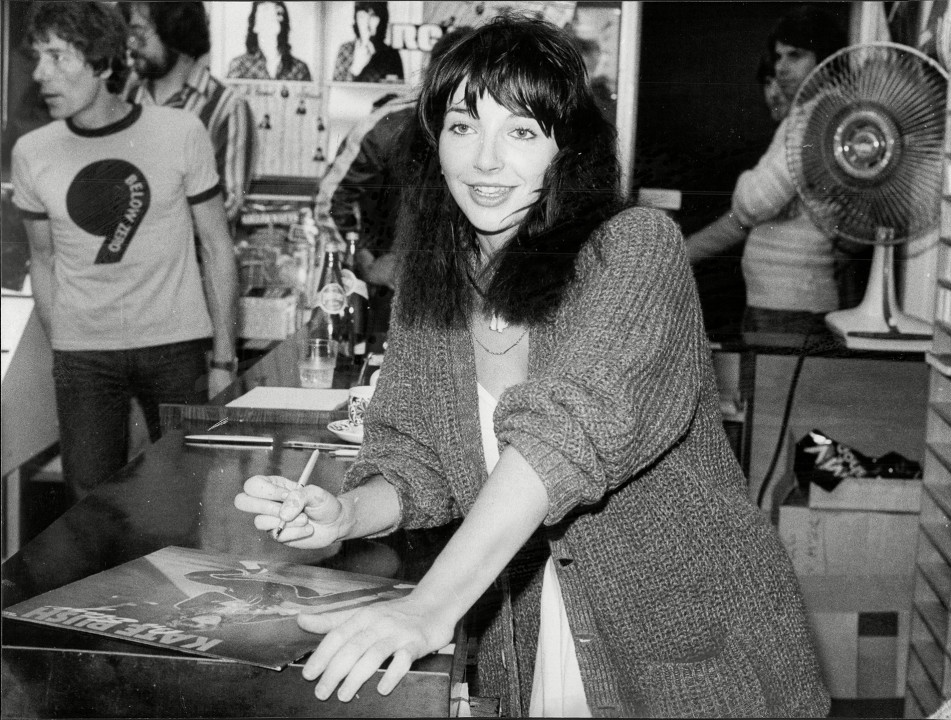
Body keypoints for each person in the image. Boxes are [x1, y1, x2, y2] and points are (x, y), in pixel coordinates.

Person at [235, 15, 828, 717]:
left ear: (565, 149)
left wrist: (430, 607)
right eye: (462, 127)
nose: (485, 160)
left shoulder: (635, 250)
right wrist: (345, 514)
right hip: (535, 634)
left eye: (520, 131)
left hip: (684, 648)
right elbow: (415, 455)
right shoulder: (438, 281)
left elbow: (563, 435)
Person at [12, 1, 238, 501]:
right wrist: (64, 340)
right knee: (91, 504)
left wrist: (224, 357)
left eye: (56, 56)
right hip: (84, 355)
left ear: (104, 62)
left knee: (188, 494)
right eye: (37, 57)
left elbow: (217, 246)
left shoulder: (180, 132)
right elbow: (43, 259)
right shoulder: (32, 152)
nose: (40, 73)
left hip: (175, 346)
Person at [685, 5, 847, 336]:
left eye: (796, 55)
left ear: (826, 60)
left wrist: (746, 184)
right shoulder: (807, 116)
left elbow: (753, 204)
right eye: (779, 57)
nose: (782, 68)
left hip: (790, 309)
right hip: (782, 306)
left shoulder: (820, 117)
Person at [317, 27, 471, 336]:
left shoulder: (488, 131)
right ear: (434, 74)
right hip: (390, 300)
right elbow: (330, 201)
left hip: (465, 296)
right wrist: (366, 262)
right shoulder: (388, 125)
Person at [121, 1, 257, 226]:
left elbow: (229, 204)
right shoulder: (130, 96)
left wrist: (147, 224)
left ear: (176, 32)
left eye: (139, 32)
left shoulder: (228, 107)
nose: (131, 44)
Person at [227, 0, 311, 82]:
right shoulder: (240, 66)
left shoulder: (300, 69)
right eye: (265, 10)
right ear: (254, 26)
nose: (271, 14)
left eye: (276, 11)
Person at [332, 2, 404, 84]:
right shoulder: (345, 50)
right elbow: (336, 90)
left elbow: (397, 92)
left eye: (373, 16)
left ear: (382, 20)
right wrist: (356, 68)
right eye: (362, 17)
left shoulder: (392, 55)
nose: (367, 24)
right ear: (356, 20)